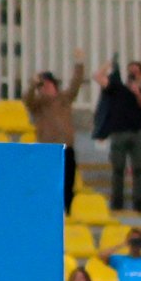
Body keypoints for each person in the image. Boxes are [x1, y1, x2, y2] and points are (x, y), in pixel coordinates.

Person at [24, 49, 88, 210]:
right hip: (49, 148)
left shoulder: (64, 99)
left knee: (68, 183)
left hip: (67, 147)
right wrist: (33, 84)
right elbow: (27, 99)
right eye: (43, 85)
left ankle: (67, 211)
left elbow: (76, 83)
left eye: (48, 84)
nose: (46, 88)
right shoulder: (38, 105)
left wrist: (79, 64)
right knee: (49, 182)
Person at [94, 57, 141, 213]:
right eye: (131, 70)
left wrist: (137, 92)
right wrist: (108, 64)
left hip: (137, 134)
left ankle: (138, 202)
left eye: (136, 71)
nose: (133, 73)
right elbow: (98, 78)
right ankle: (117, 201)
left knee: (138, 169)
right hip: (119, 133)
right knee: (118, 168)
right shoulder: (118, 88)